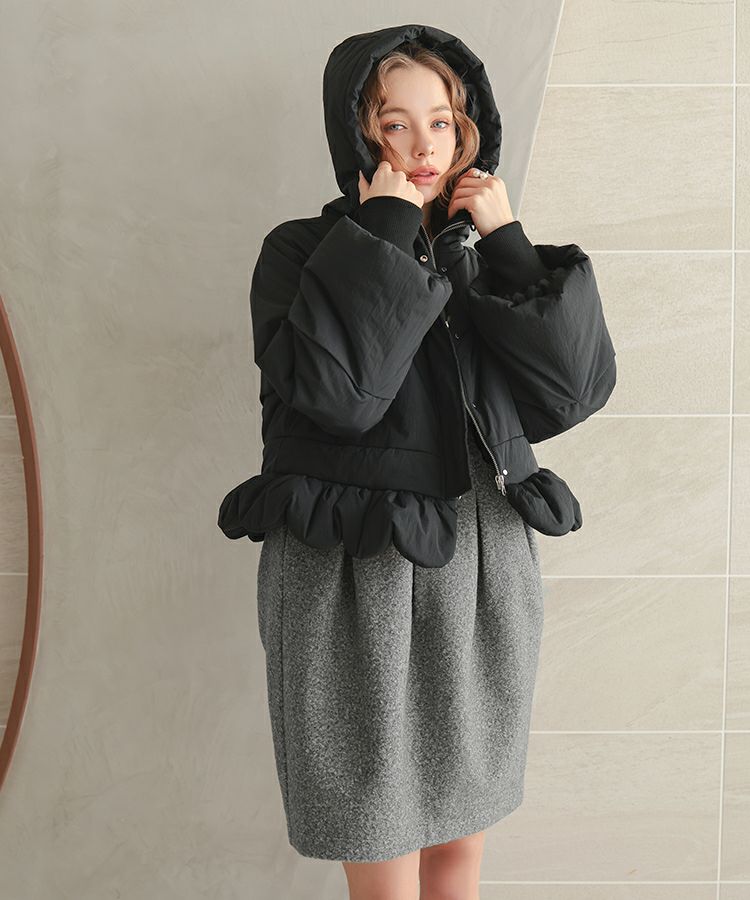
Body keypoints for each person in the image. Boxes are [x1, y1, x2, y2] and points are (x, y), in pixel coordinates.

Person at [218, 22, 616, 900]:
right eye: (395, 124)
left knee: (461, 848)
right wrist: (388, 227)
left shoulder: (481, 256)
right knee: (381, 848)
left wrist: (510, 246)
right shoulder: (299, 253)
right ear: (359, 135)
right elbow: (338, 395)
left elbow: (573, 392)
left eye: (441, 121)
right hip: (353, 576)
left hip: (482, 565)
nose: (424, 145)